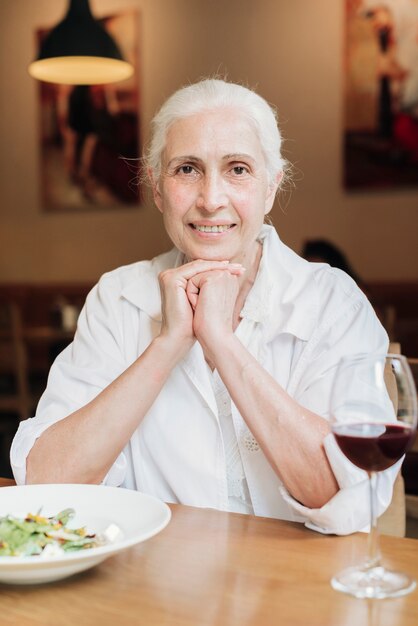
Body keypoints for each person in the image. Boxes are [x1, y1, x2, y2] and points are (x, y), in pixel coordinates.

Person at [10, 79, 398, 535]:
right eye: (187, 169)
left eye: (237, 169)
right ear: (157, 188)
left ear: (270, 188)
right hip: (156, 587)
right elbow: (48, 484)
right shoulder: (117, 299)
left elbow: (341, 494)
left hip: (300, 588)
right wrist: (168, 344)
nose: (211, 199)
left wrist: (222, 341)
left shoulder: (334, 302)